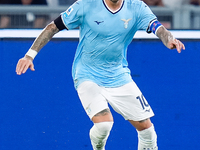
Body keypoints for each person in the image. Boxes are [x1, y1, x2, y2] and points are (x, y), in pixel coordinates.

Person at [16, 0, 185, 149]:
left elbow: (158, 28)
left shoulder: (137, 7)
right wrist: (30, 55)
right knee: (104, 125)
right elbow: (53, 27)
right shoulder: (86, 5)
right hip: (86, 74)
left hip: (118, 75)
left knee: (147, 130)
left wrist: (169, 39)